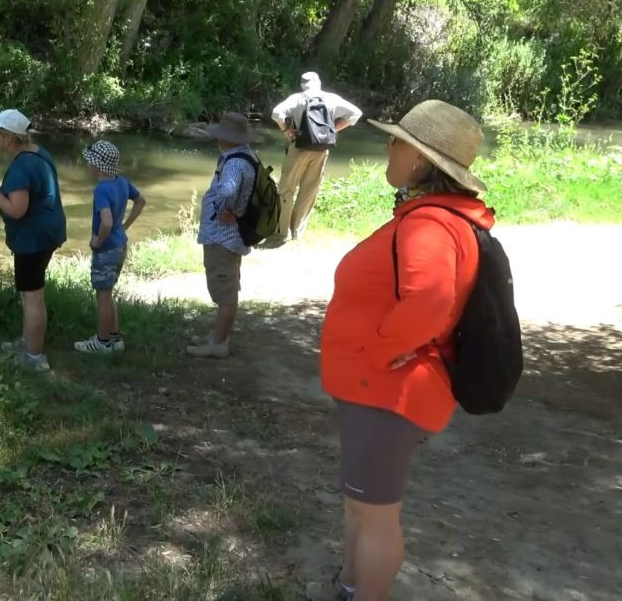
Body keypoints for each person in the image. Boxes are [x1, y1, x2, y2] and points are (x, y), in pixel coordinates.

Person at [317, 100, 493, 601]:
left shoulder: (429, 225)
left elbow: (431, 299)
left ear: (418, 158)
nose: (387, 147)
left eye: (394, 141)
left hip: (388, 394)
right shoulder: (435, 216)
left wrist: (377, 350)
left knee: (376, 515)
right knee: (361, 502)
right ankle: (350, 584)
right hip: (376, 392)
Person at [0, 109, 67, 372]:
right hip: (48, 232)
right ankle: (27, 342)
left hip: (33, 239)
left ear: (7, 137)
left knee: (32, 298)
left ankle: (34, 357)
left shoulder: (22, 166)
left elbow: (16, 209)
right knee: (31, 294)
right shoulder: (38, 153)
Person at [186, 112, 258, 359]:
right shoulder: (245, 155)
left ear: (227, 138)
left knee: (225, 291)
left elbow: (227, 190)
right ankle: (218, 336)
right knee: (226, 286)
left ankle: (219, 344)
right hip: (230, 236)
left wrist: (223, 209)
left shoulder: (235, 163)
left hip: (223, 237)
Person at [268, 72, 362, 245]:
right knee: (309, 190)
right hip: (321, 149)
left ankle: (282, 232)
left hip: (298, 147)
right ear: (318, 83)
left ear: (302, 84)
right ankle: (297, 231)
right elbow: (356, 114)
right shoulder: (331, 99)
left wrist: (287, 130)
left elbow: (276, 113)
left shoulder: (297, 98)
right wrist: (333, 129)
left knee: (286, 189)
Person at [75, 140, 147, 355]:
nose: (88, 165)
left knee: (103, 297)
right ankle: (115, 340)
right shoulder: (122, 182)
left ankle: (102, 342)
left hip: (106, 249)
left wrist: (98, 241)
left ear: (98, 165)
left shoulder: (101, 190)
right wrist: (124, 226)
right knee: (108, 293)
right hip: (120, 245)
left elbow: (105, 222)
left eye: (90, 162)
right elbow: (141, 201)